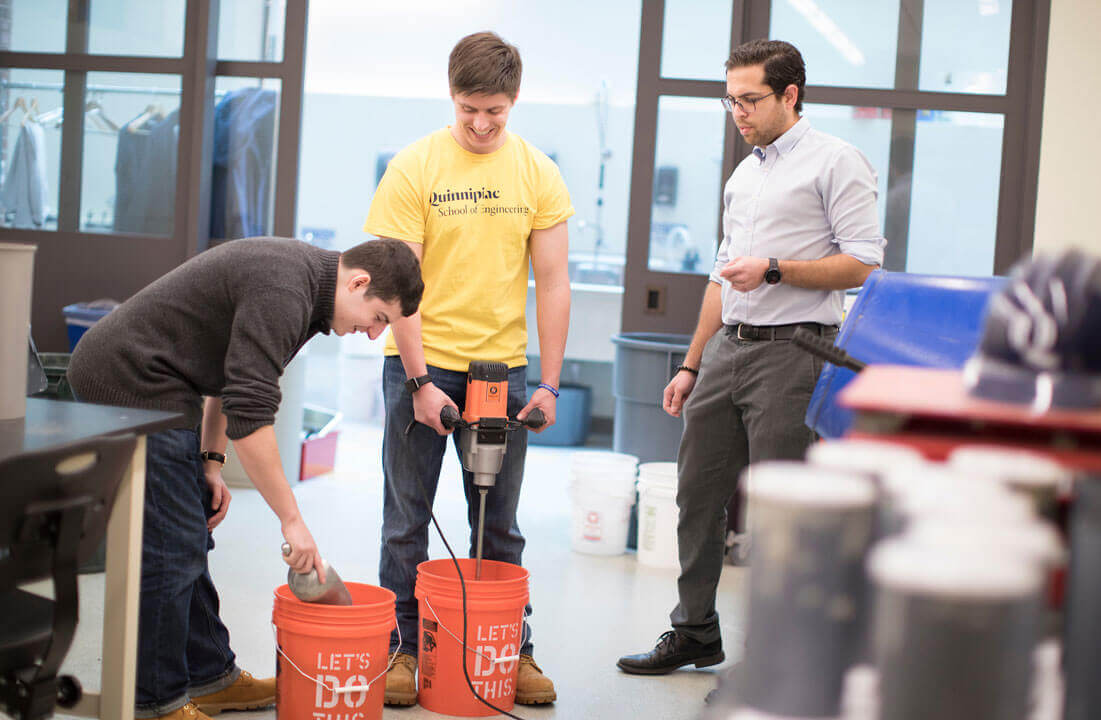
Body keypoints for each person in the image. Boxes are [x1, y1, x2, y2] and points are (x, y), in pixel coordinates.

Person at [67, 237, 424, 720]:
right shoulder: (286, 290)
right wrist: (291, 520)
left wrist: (211, 462)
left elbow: (231, 378)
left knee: (188, 535)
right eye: (379, 317)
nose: (375, 334)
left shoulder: (313, 295)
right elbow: (250, 415)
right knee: (171, 546)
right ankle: (154, 701)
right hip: (128, 379)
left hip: (164, 382)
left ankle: (210, 677)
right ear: (358, 283)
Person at [616, 39, 885, 679]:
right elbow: (720, 276)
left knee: (781, 513)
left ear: (790, 95)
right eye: (730, 100)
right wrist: (691, 363)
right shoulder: (744, 175)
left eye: (749, 99)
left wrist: (774, 269)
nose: (737, 112)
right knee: (696, 495)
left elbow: (863, 263)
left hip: (796, 351)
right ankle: (695, 632)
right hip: (728, 350)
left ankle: (776, 660)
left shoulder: (836, 162)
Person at [363, 31, 572, 707]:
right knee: (407, 519)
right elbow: (399, 284)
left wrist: (548, 383)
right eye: (468, 110)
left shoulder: (537, 172)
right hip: (420, 365)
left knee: (499, 524)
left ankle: (512, 650)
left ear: (515, 100)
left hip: (500, 375)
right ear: (451, 96)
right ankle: (402, 650)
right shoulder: (414, 167)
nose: (481, 125)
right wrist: (420, 382)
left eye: (495, 112)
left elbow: (554, 282)